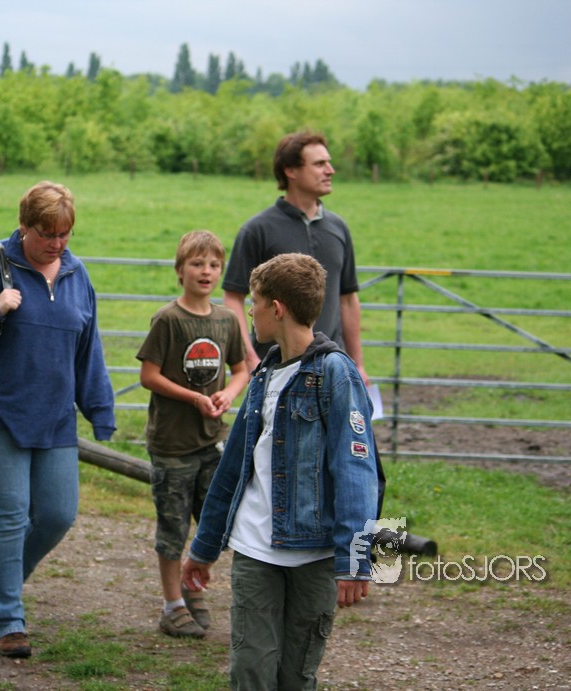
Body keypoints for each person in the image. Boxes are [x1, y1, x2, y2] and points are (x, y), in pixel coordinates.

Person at [0, 181, 116, 659]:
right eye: (47, 233)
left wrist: (100, 409)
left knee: (57, 515)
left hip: (54, 417)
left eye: (64, 234)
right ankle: (8, 619)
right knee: (8, 515)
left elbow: (87, 347)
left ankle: (3, 581)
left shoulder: (76, 274)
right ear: (24, 226)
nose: (56, 243)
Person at [181, 253, 379, 690]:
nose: (249, 311)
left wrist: (355, 559)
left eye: (254, 302)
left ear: (277, 308)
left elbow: (356, 470)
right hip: (255, 551)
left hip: (315, 556)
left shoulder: (335, 374)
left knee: (296, 676)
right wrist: (204, 546)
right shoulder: (264, 374)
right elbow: (233, 468)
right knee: (250, 670)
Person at [135, 230, 249, 639]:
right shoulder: (168, 319)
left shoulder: (227, 319)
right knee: (173, 527)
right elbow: (149, 375)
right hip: (172, 445)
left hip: (212, 441)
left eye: (214, 265)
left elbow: (241, 369)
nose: (206, 271)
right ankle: (172, 606)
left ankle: (193, 586)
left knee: (214, 523)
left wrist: (227, 394)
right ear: (180, 270)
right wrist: (193, 397)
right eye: (197, 264)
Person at [222, 130, 370, 388]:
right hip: (274, 370)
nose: (330, 170)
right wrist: (249, 357)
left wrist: (357, 365)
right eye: (319, 164)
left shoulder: (339, 228)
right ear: (290, 170)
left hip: (330, 368)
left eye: (328, 162)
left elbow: (348, 300)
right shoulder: (257, 230)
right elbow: (233, 298)